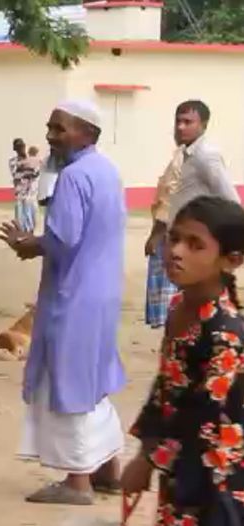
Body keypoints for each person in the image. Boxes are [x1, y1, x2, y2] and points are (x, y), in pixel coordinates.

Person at [0, 100, 126, 505]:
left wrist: (27, 244)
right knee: (93, 380)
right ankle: (108, 470)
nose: (51, 136)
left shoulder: (73, 176)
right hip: (102, 293)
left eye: (59, 129)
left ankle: (77, 482)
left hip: (74, 295)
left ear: (86, 133)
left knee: (68, 383)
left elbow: (63, 240)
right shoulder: (107, 170)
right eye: (50, 128)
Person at [122, 196, 244, 525]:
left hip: (217, 477)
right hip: (180, 465)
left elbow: (204, 410)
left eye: (195, 245)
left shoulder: (226, 332)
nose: (176, 251)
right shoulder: (178, 306)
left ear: (230, 260)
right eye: (174, 238)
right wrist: (146, 449)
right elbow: (166, 387)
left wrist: (148, 461)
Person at [168, 100, 240, 226]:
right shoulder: (183, 153)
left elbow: (230, 198)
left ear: (204, 125)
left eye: (188, 122)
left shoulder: (206, 155)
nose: (180, 127)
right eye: (178, 121)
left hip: (194, 232)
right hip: (178, 229)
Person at [144, 146, 184, 328]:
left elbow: (170, 198)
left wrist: (156, 234)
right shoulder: (182, 156)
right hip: (173, 232)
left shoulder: (184, 159)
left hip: (172, 234)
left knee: (172, 297)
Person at [9, 139, 41, 234]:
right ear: (15, 149)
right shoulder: (13, 161)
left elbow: (36, 172)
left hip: (31, 193)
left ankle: (30, 233)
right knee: (21, 218)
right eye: (18, 147)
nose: (21, 149)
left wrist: (26, 170)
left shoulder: (31, 159)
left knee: (32, 216)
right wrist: (29, 172)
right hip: (20, 193)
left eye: (22, 146)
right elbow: (16, 174)